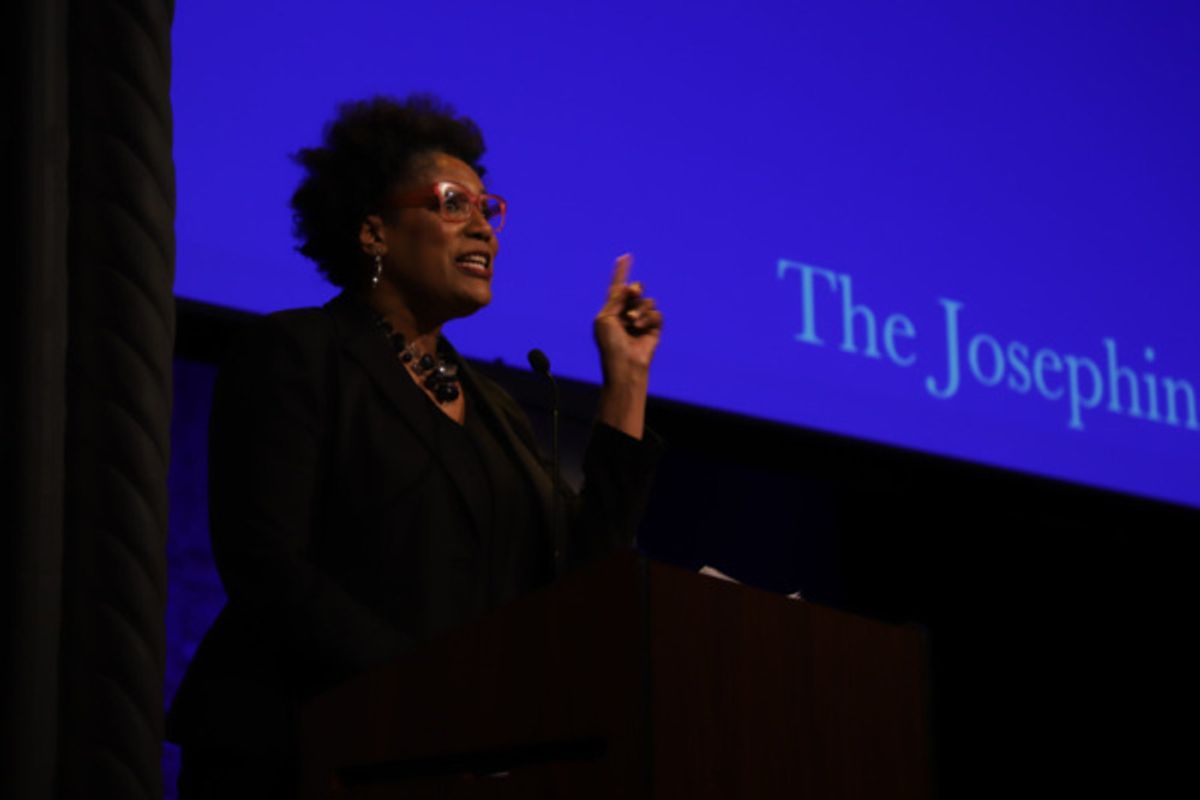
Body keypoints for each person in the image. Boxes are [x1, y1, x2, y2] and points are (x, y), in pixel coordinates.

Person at [165, 95, 663, 798]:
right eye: (454, 204)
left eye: (489, 211)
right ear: (373, 232)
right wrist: (433, 690)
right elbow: (266, 564)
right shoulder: (299, 353)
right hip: (299, 748)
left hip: (443, 757)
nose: (484, 230)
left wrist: (628, 379)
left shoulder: (492, 409)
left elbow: (582, 572)